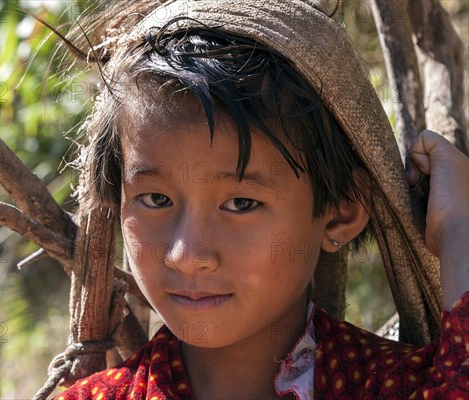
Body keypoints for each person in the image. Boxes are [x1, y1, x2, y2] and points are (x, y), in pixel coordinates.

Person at [53, 0, 468, 398]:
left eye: (241, 204)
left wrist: (458, 229)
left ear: (341, 211)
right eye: (156, 199)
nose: (186, 254)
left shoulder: (396, 387)